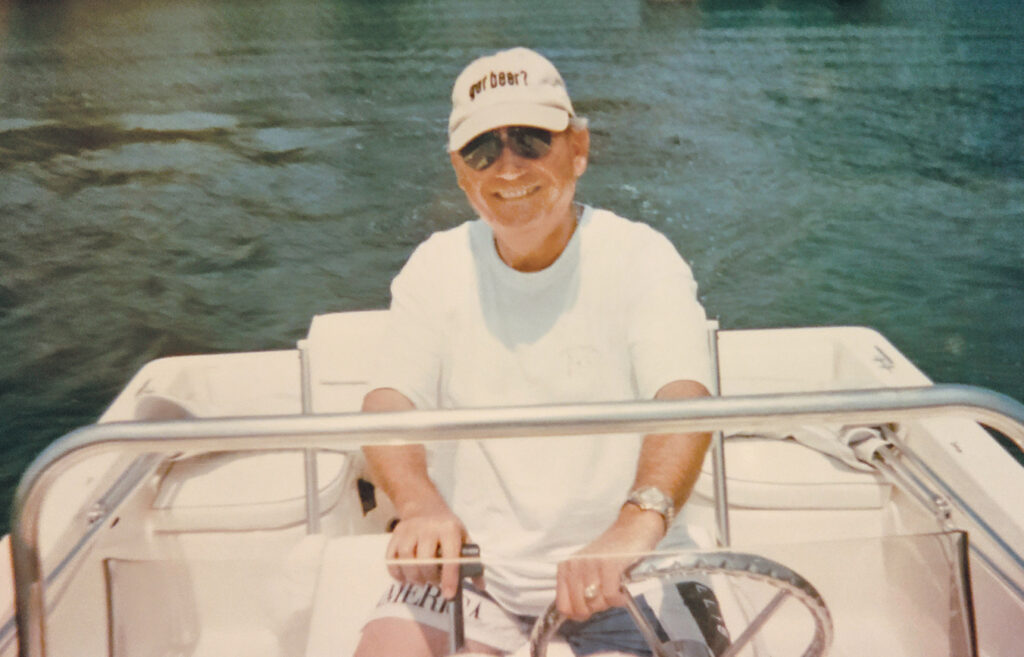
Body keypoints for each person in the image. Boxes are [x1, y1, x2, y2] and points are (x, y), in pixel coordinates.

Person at [353, 47, 725, 657]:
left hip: (630, 567)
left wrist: (635, 525)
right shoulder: (436, 265)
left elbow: (683, 398)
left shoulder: (643, 257)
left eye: (530, 139)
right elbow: (390, 397)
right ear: (458, 170)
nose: (507, 167)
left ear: (578, 148)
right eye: (482, 149)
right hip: (471, 573)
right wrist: (418, 505)